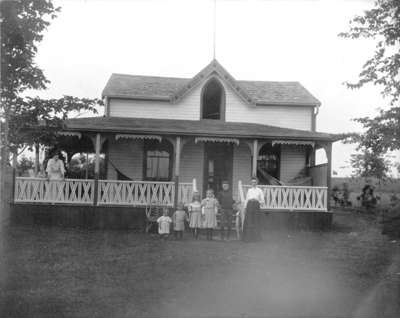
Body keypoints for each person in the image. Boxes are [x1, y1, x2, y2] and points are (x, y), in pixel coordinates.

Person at [242, 177, 264, 242]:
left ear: (257, 182)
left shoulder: (259, 190)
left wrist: (257, 201)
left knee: (255, 221)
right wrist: (245, 208)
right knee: (249, 221)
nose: (253, 183)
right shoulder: (249, 190)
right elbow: (246, 199)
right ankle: (248, 238)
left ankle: (256, 239)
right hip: (249, 205)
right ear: (251, 183)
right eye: (252, 182)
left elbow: (262, 200)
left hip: (256, 206)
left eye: (255, 182)